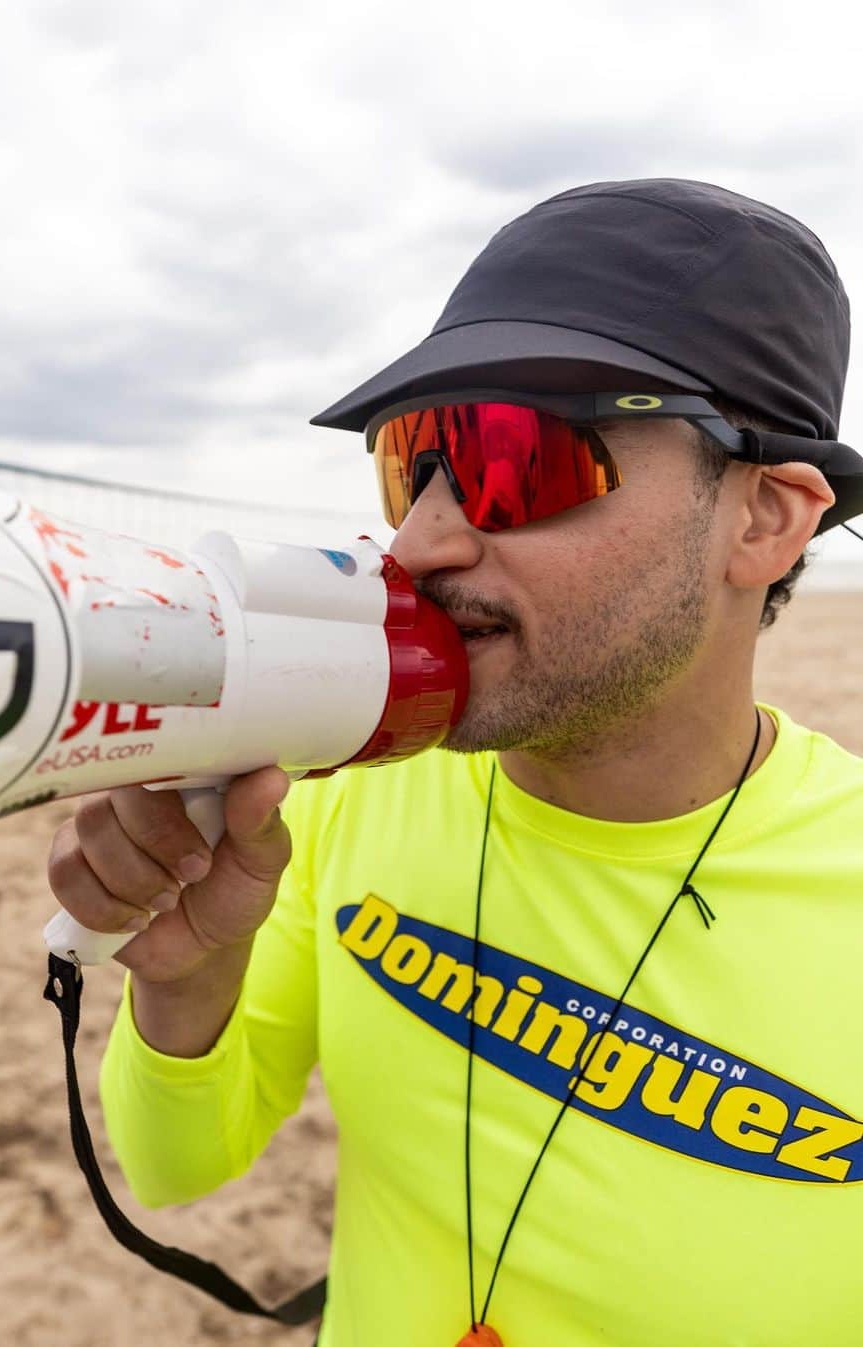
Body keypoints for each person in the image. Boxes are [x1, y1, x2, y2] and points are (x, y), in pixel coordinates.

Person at [45, 179, 863, 1346]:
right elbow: (177, 1165)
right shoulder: (344, 796)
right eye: (412, 466)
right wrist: (187, 975)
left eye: (515, 459)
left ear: (766, 520)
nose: (420, 540)